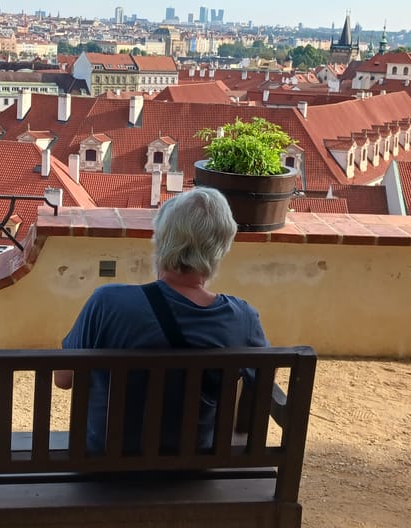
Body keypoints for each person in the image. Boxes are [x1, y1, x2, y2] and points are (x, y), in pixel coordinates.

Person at [54, 186, 269, 454]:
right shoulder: (242, 318)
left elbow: (63, 378)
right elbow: (261, 386)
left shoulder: (107, 302)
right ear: (222, 247)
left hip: (107, 464)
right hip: (193, 468)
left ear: (162, 239)